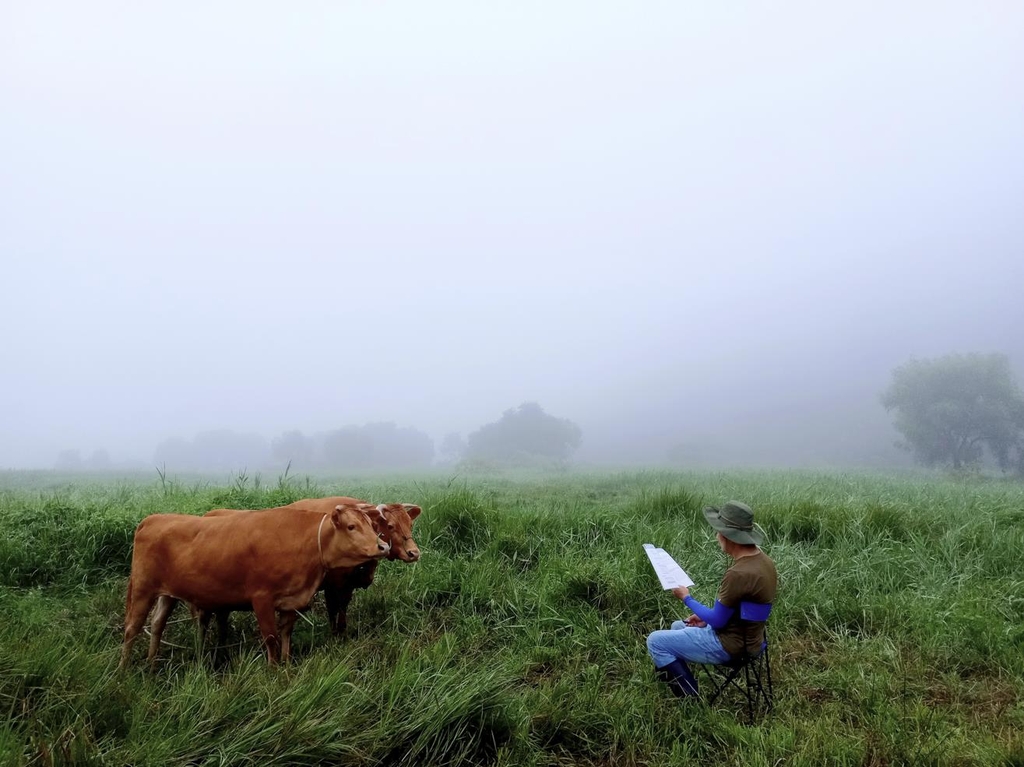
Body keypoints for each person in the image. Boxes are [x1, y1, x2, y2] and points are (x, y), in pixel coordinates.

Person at [646, 500, 777, 698]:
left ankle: (690, 698)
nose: (716, 536)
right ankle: (678, 682)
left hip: (732, 646)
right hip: (752, 638)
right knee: (676, 626)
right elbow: (734, 611)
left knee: (655, 641)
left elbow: (718, 621)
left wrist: (686, 598)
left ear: (727, 536)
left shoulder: (738, 573)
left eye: (718, 531)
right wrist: (704, 618)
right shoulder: (764, 562)